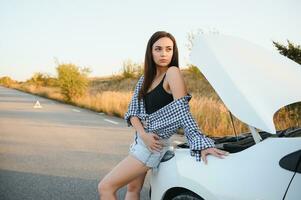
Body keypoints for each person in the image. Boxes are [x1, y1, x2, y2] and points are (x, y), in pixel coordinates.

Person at [98, 31, 229, 200]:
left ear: (174, 52)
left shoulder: (172, 73)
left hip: (152, 146)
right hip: (142, 141)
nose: (164, 54)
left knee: (105, 187)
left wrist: (200, 142)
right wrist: (143, 134)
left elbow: (182, 111)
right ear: (150, 52)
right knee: (133, 189)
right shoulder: (145, 79)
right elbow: (132, 113)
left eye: (169, 49)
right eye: (158, 49)